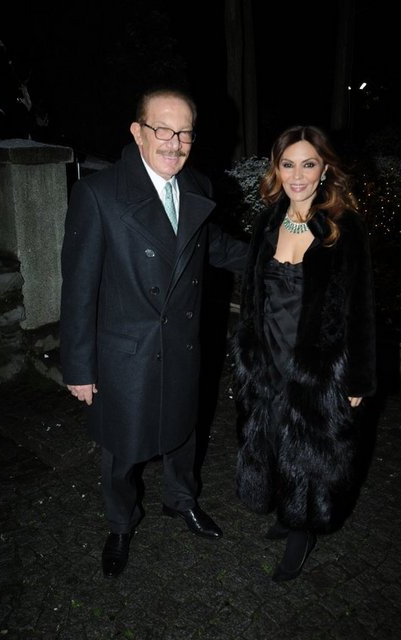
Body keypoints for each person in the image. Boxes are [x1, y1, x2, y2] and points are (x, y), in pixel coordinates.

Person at [60, 86, 248, 579]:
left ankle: (180, 500)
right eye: (162, 129)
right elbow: (78, 288)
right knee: (122, 449)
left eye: (184, 132)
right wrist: (78, 367)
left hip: (181, 343)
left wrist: (281, 254)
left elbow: (215, 247)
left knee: (183, 432)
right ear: (137, 132)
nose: (174, 142)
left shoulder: (197, 185)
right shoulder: (98, 194)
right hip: (126, 354)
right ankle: (120, 524)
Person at [232, 125, 376, 582]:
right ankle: (286, 509)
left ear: (325, 169)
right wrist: (246, 353)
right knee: (273, 436)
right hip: (267, 357)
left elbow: (362, 308)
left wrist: (359, 378)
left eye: (308, 164)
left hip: (317, 364)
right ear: (276, 169)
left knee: (312, 449)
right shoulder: (267, 222)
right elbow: (251, 296)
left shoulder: (344, 228)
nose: (297, 176)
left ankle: (303, 529)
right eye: (287, 164)